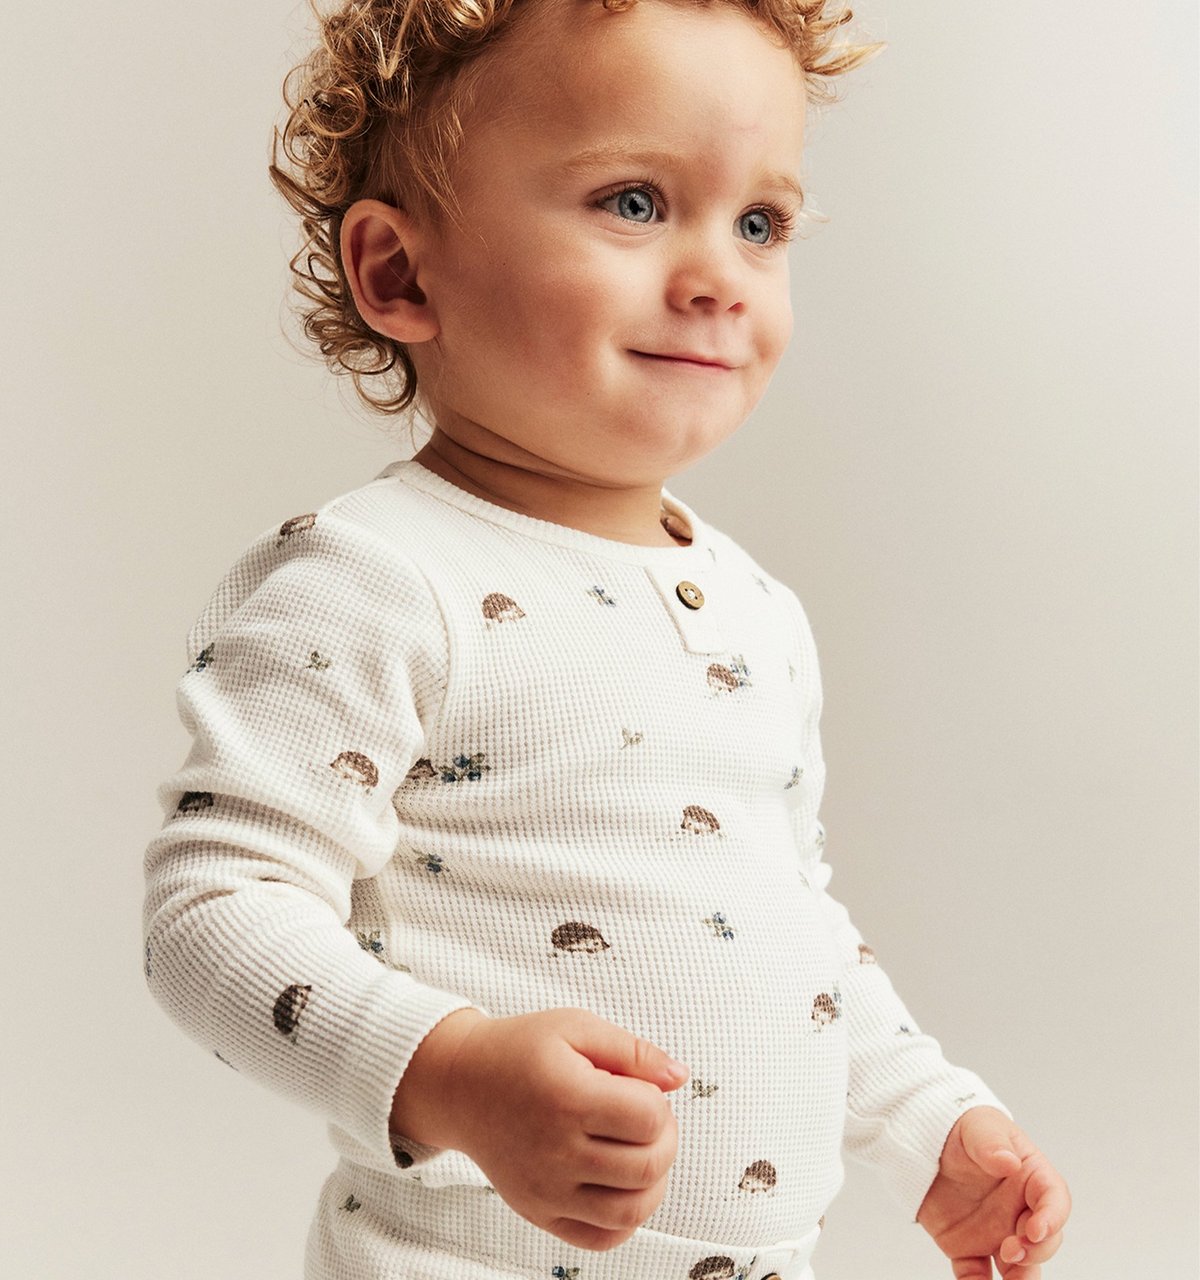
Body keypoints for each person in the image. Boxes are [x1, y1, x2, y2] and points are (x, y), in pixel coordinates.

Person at [142, 0, 1072, 1276]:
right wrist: (449, 1071)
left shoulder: (754, 606)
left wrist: (925, 1121)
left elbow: (782, 921)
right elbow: (211, 910)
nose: (715, 274)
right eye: (633, 202)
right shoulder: (374, 579)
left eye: (760, 223)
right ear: (401, 274)